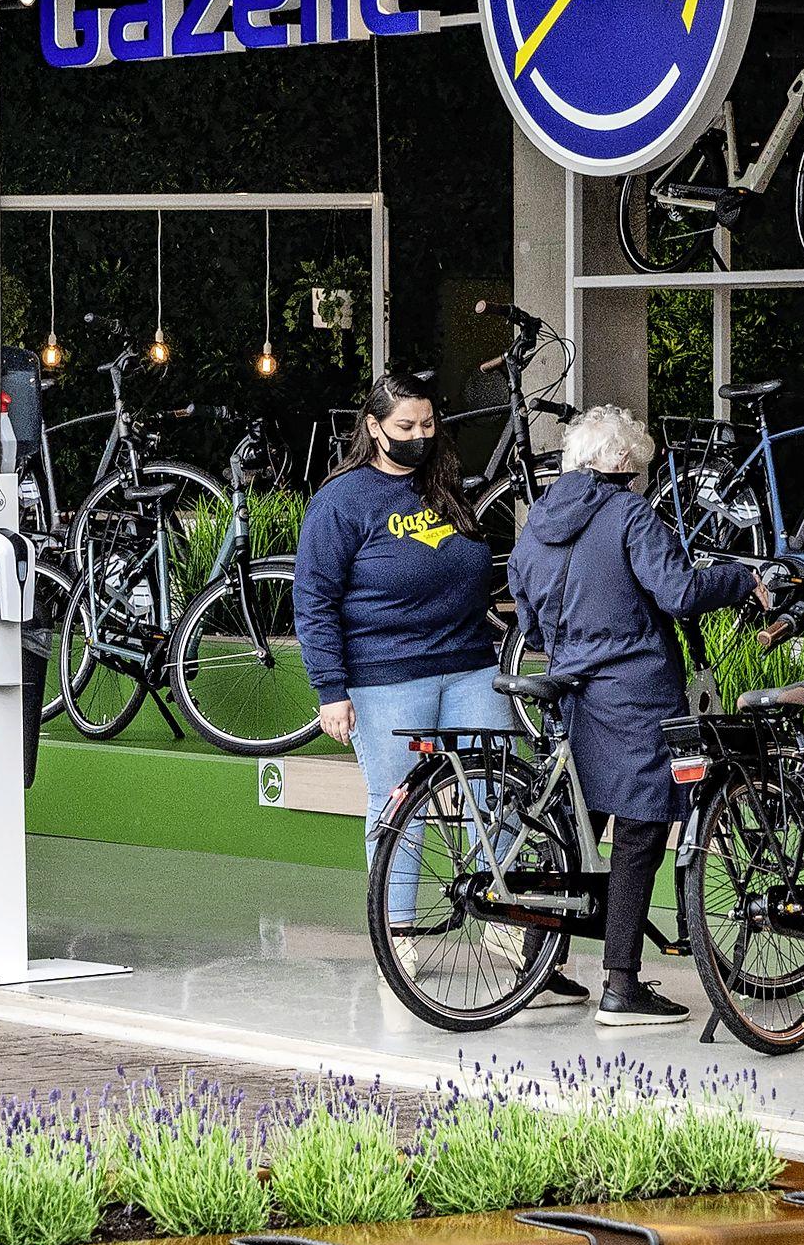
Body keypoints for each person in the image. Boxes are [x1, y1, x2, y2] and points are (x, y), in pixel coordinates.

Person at [299, 373, 586, 1003]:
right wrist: (330, 690)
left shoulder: (444, 487)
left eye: (427, 425)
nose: (419, 436)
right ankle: (396, 932)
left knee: (499, 792)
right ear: (373, 427)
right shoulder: (342, 500)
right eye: (405, 426)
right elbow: (313, 600)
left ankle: (506, 920)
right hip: (385, 676)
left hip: (470, 664)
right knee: (399, 804)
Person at [504, 405, 765, 1026]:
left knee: (574, 829)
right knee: (641, 829)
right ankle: (621, 985)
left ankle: (537, 970)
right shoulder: (629, 514)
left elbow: (527, 616)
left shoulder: (537, 523)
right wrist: (739, 579)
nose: (639, 475)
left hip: (572, 693)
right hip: (636, 694)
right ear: (621, 461)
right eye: (637, 464)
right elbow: (679, 593)